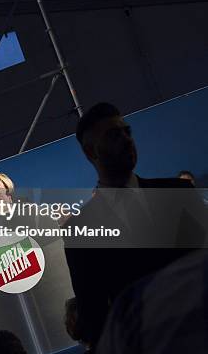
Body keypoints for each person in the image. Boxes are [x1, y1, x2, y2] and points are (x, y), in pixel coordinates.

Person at [63, 102, 206, 348]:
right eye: (113, 135)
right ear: (90, 152)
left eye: (127, 132)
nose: (127, 140)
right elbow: (94, 315)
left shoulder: (180, 193)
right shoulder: (81, 228)